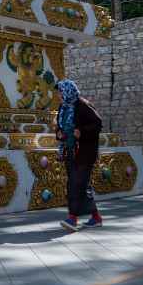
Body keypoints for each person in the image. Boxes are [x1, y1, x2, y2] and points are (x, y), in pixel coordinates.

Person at [54, 79, 103, 231]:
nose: (58, 95)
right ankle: (96, 217)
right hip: (70, 152)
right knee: (80, 184)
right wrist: (60, 133)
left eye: (60, 92)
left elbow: (97, 123)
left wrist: (82, 132)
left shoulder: (82, 105)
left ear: (68, 91)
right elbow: (60, 127)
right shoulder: (63, 107)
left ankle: (72, 218)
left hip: (84, 153)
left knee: (76, 184)